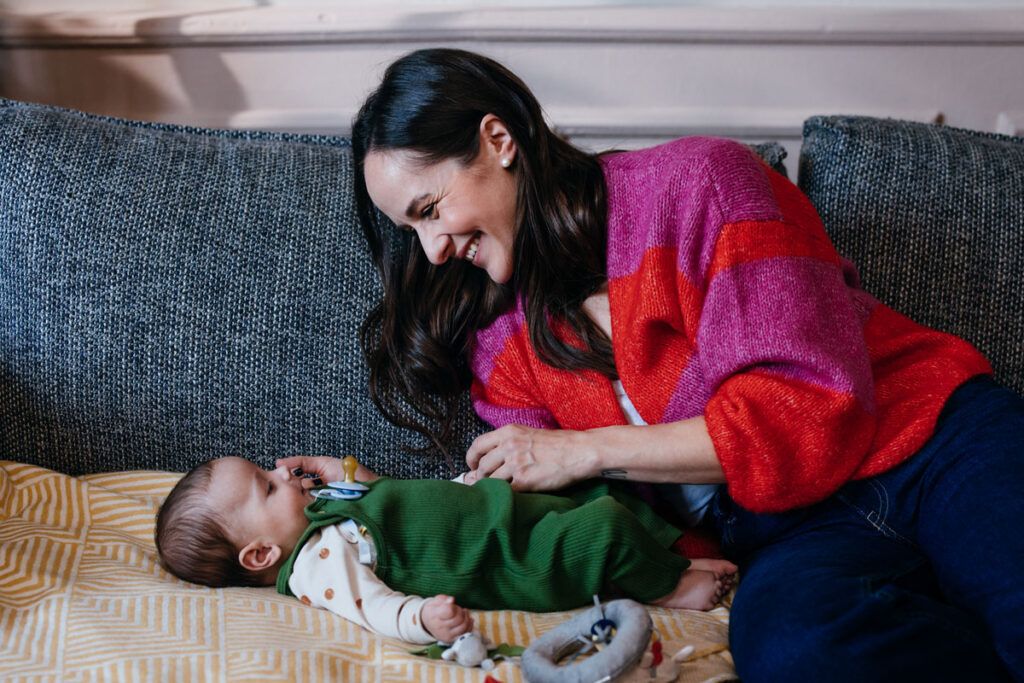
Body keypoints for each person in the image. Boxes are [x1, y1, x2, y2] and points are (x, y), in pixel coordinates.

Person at [330, 46, 1024, 681]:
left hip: (933, 441)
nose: (430, 251)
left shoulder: (703, 185)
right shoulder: (501, 344)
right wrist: (358, 503)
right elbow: (535, 525)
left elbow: (804, 413)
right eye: (409, 230)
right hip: (796, 532)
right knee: (792, 651)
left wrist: (586, 450)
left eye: (430, 208)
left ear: (498, 140)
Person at [154, 456, 737, 644]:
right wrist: (422, 619)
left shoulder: (325, 511)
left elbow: (388, 501)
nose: (285, 472)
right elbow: (374, 607)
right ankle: (673, 586)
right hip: (504, 558)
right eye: (267, 486)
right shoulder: (316, 562)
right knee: (602, 526)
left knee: (593, 494)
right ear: (259, 556)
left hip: (497, 514)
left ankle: (671, 560)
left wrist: (347, 471)